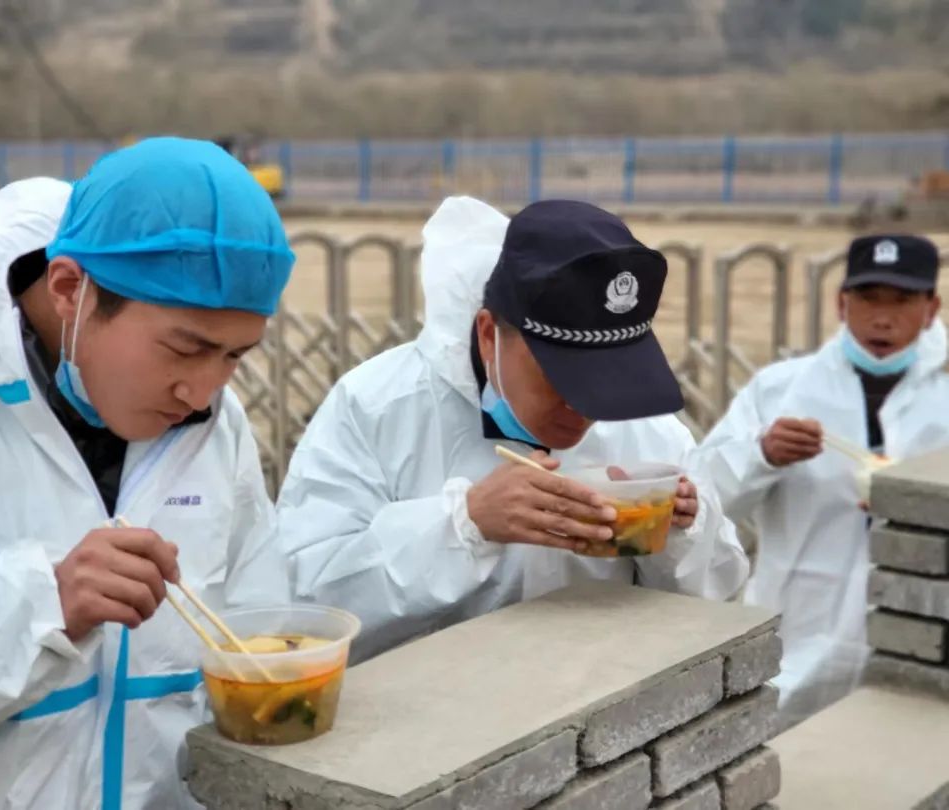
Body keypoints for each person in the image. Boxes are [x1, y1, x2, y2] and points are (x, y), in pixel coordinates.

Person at [0, 138, 294, 808]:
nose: (203, 393)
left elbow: (255, 619)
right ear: (70, 289)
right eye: (186, 348)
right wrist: (40, 608)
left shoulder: (216, 425)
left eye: (236, 356)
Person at [272, 196, 749, 662]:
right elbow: (304, 604)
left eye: (608, 383)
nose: (581, 408)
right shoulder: (377, 407)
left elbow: (717, 593)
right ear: (487, 334)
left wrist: (684, 532)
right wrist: (464, 524)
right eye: (561, 379)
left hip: (598, 703)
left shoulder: (646, 429)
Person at [694, 233, 949, 729]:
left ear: (931, 307)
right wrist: (762, 454)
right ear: (841, 303)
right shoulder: (781, 390)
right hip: (796, 635)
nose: (882, 318)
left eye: (902, 301)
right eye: (869, 299)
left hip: (921, 638)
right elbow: (706, 497)